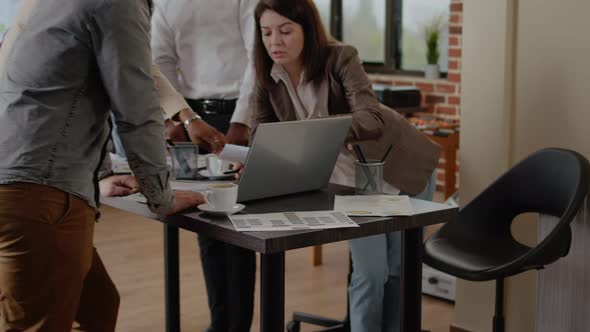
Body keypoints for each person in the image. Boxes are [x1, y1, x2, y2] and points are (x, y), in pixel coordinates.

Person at [0, 0, 205, 330]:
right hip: (38, 191)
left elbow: (54, 91)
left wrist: (101, 174)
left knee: (98, 306)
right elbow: (136, 108)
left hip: (27, 181)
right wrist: (162, 196)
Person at [250, 1, 441, 331]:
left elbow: (372, 117)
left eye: (285, 31)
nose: (274, 42)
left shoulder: (340, 57)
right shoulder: (267, 78)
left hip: (402, 164)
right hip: (351, 184)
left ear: (307, 31)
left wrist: (320, 131)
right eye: (266, 33)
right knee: (371, 273)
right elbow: (262, 136)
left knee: (400, 270)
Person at [151, 1, 258, 331]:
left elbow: (259, 59)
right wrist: (174, 116)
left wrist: (242, 121)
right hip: (192, 117)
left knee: (238, 227)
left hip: (238, 114)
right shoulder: (167, 3)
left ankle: (237, 326)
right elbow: (160, 61)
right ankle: (219, 322)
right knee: (207, 226)